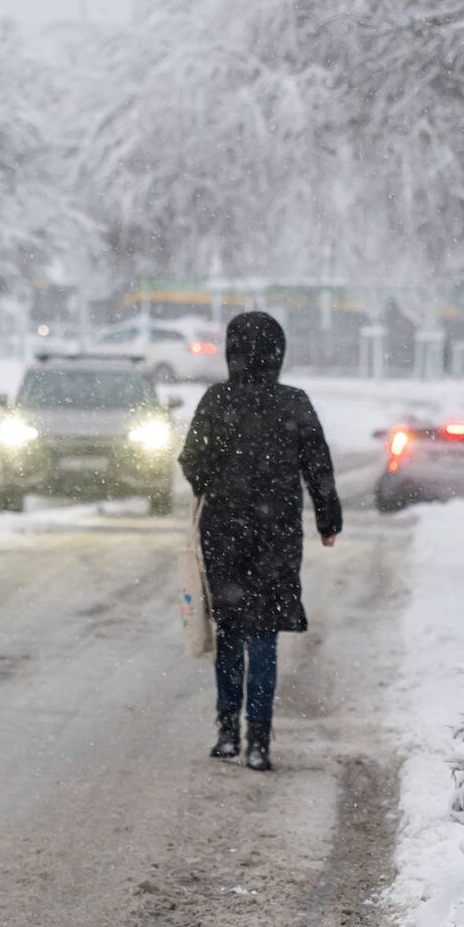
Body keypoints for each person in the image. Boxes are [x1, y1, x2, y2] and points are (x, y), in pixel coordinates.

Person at [177, 311, 342, 772]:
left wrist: (216, 480)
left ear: (232, 352)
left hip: (225, 531)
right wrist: (329, 520)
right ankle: (259, 740)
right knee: (264, 634)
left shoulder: (217, 400)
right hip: (277, 534)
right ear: (278, 354)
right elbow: (319, 467)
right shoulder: (294, 403)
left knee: (229, 629)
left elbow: (193, 462)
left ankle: (227, 731)